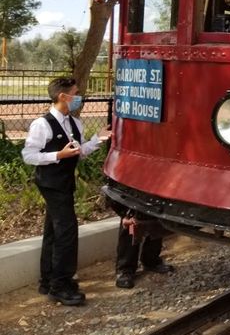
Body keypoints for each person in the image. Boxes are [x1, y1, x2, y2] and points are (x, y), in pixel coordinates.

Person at [21, 77, 111, 306]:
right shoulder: (42, 124)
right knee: (66, 232)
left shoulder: (74, 123)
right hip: (51, 183)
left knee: (53, 230)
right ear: (63, 97)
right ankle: (60, 285)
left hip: (64, 182)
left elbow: (79, 153)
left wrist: (96, 140)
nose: (79, 98)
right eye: (76, 93)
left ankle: (48, 278)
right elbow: (29, 156)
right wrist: (57, 156)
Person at [113, 205, 174, 289]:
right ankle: (125, 270)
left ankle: (151, 261)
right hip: (130, 202)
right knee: (130, 225)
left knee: (156, 221)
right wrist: (123, 213)